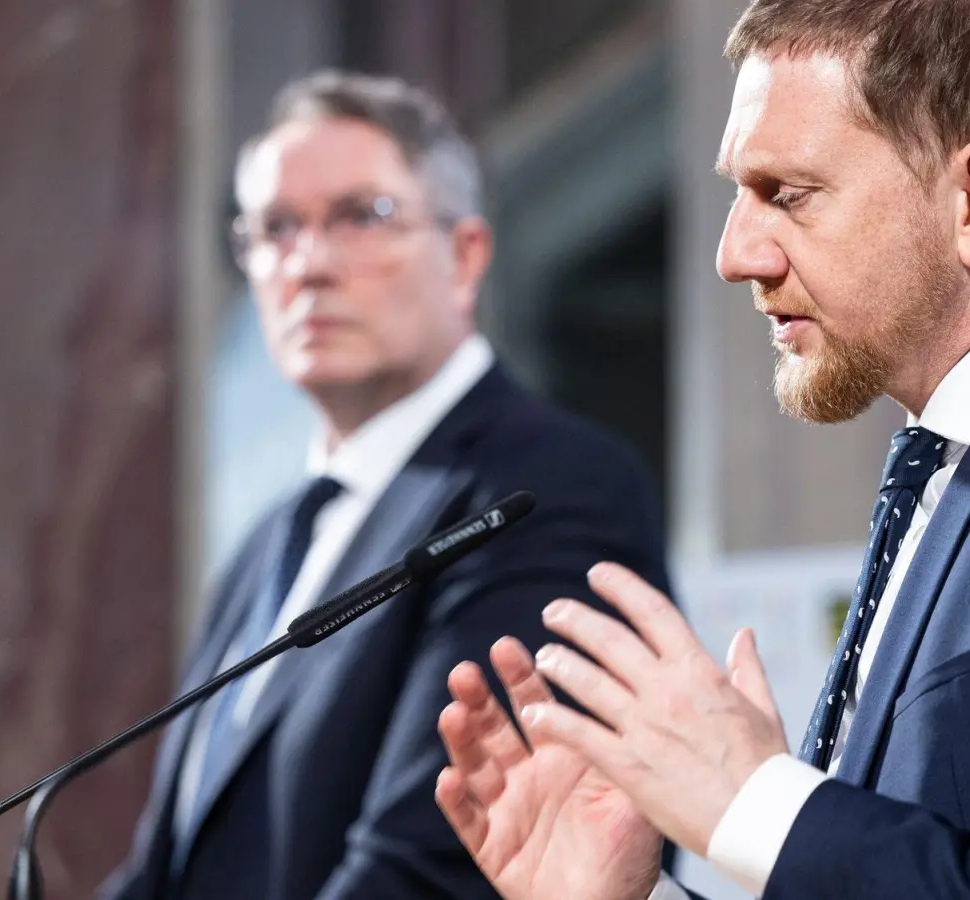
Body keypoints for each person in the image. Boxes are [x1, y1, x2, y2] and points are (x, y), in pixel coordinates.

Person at [434, 2, 970, 899]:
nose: (735, 254)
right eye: (737, 193)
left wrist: (760, 805)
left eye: (786, 194)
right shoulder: (952, 469)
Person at [101, 71, 670, 900]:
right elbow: (166, 869)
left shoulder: (542, 487)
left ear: (466, 254)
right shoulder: (269, 543)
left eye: (361, 216)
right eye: (275, 228)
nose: (309, 264)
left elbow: (435, 865)